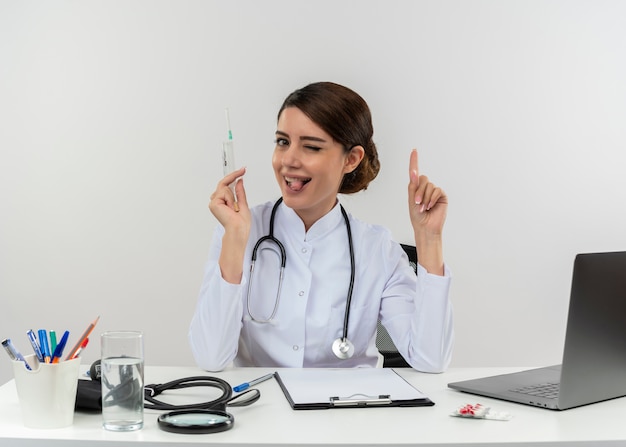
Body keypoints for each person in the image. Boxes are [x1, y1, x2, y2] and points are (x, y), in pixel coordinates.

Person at [189, 82, 453, 372]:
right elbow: (210, 358)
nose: (288, 160)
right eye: (282, 142)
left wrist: (429, 240)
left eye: (311, 147)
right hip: (262, 408)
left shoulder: (377, 249)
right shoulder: (239, 230)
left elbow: (430, 360)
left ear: (351, 159)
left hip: (351, 410)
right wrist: (236, 240)